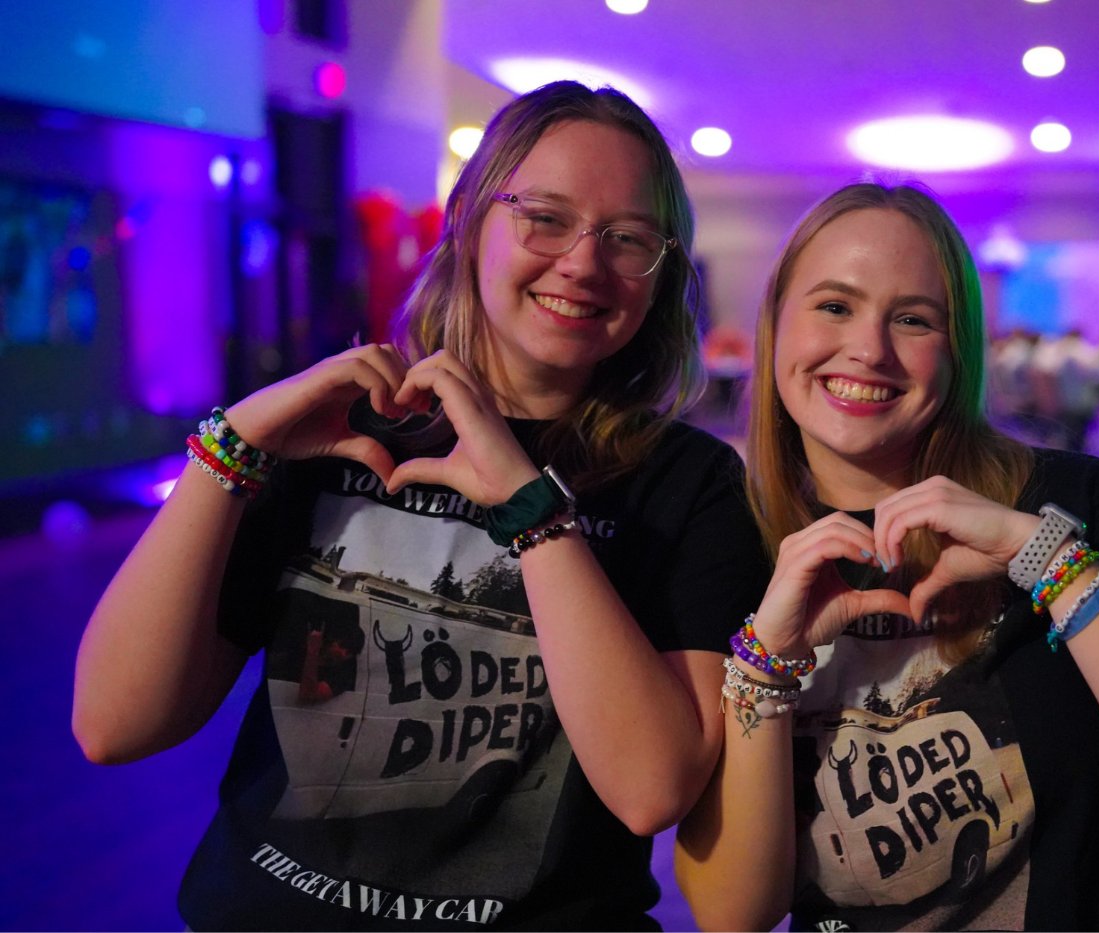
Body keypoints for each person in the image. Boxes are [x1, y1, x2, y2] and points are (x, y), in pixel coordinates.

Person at [73, 81, 769, 931]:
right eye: (544, 216)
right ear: (468, 218)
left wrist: (530, 509)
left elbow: (649, 789)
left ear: (659, 275)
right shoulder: (335, 435)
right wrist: (232, 443)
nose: (584, 262)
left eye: (628, 239)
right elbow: (114, 724)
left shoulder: (689, 484)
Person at [674, 183, 1099, 931]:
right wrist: (765, 663)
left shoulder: (1078, 500)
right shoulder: (733, 544)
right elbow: (731, 911)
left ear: (957, 347)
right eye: (834, 305)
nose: (869, 348)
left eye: (912, 318)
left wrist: (1047, 561)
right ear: (776, 326)